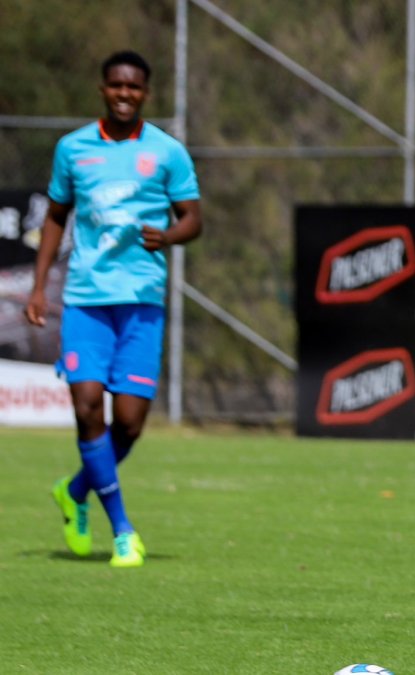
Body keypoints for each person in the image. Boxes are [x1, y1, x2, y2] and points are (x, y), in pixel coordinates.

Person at [25, 50, 202, 569]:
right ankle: (123, 529)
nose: (125, 94)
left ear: (146, 93)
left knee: (129, 422)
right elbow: (56, 217)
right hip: (85, 299)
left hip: (142, 300)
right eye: (116, 86)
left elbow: (193, 218)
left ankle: (74, 490)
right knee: (86, 408)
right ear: (103, 88)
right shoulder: (73, 149)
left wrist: (167, 234)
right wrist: (39, 287)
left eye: (135, 88)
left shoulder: (168, 152)